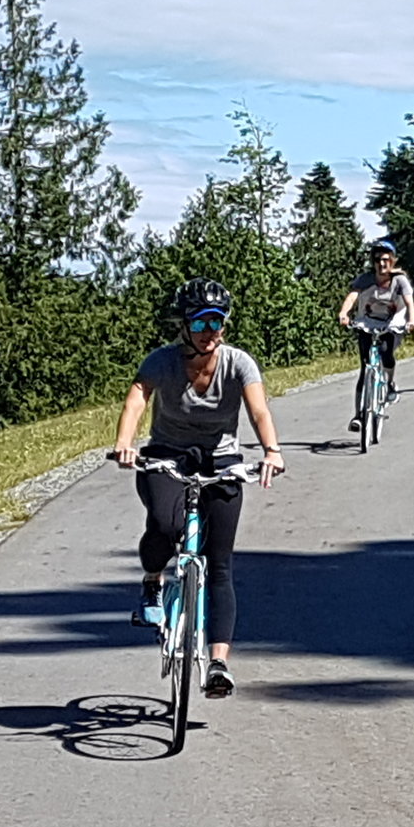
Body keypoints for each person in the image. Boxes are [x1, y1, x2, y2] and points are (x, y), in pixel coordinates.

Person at [112, 279, 286, 700]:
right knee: (163, 526)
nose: (211, 331)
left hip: (221, 460)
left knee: (220, 564)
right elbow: (138, 398)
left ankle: (218, 664)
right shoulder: (163, 361)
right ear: (184, 326)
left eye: (218, 321)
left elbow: (258, 408)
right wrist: (124, 442)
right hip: (167, 455)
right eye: (202, 322)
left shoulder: (238, 363)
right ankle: (153, 580)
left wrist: (271, 451)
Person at [337, 239, 414, 425]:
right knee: (365, 368)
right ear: (373, 262)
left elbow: (409, 302)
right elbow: (352, 297)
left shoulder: (400, 281)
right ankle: (358, 416)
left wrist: (411, 320)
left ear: (393, 261)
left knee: (387, 352)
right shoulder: (366, 279)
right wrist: (344, 313)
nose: (382, 264)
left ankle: (389, 383)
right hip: (367, 323)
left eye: (386, 260)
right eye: (378, 260)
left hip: (392, 323)